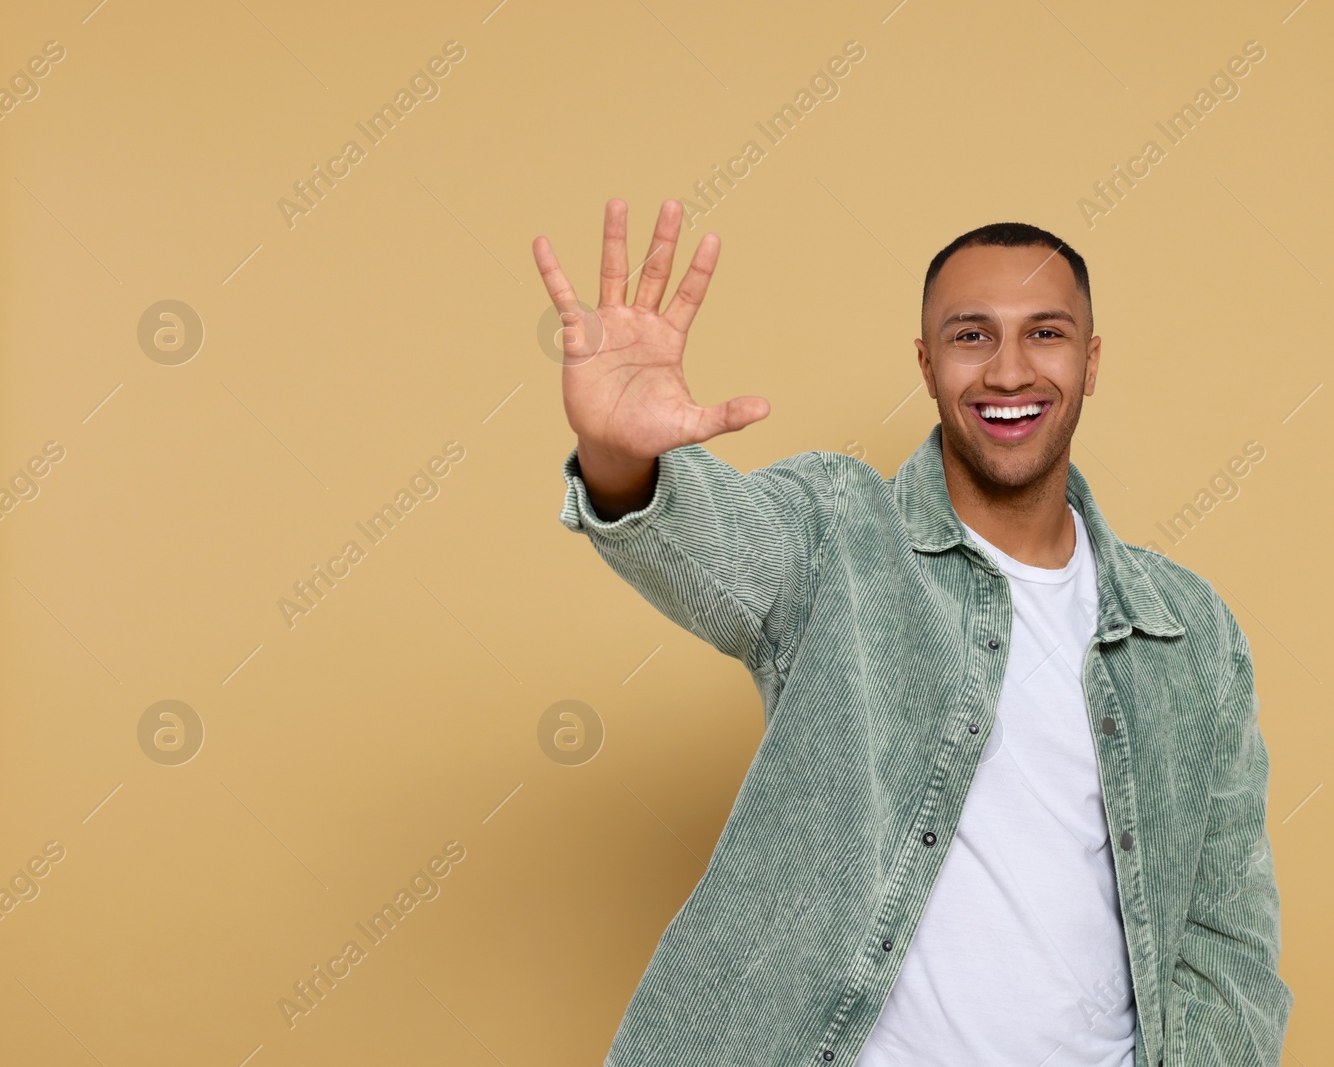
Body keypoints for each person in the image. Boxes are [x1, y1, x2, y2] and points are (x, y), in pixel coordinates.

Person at [535, 200, 1293, 1067]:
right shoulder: (841, 534)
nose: (1009, 372)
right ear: (928, 365)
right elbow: (720, 548)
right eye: (972, 337)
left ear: (1090, 363)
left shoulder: (1188, 629)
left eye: (1044, 334)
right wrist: (619, 457)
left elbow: (1224, 932)